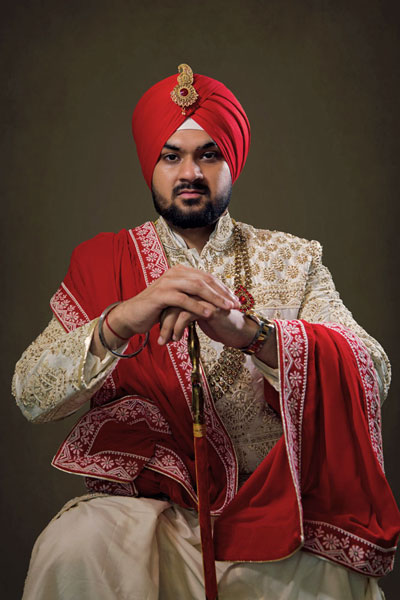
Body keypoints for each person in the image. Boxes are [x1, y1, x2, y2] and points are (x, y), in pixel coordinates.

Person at [13, 64, 400, 600]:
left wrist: (255, 335)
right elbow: (30, 395)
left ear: (232, 162)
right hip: (152, 521)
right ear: (150, 164)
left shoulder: (293, 258)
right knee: (77, 543)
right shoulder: (106, 262)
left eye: (208, 154)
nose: (188, 172)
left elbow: (371, 372)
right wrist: (121, 320)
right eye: (171, 156)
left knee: (335, 577)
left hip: (276, 521)